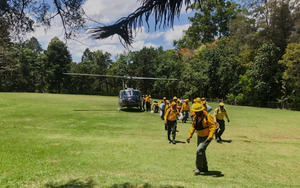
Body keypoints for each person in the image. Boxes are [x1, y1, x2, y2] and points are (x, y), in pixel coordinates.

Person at [186, 103, 217, 175]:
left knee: (199, 150)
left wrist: (210, 136)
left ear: (201, 111)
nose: (196, 113)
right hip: (199, 136)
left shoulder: (208, 116)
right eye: (195, 111)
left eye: (197, 112)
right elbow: (193, 127)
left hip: (207, 137)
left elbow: (213, 127)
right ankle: (205, 168)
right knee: (201, 152)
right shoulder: (195, 117)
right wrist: (189, 136)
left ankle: (199, 168)